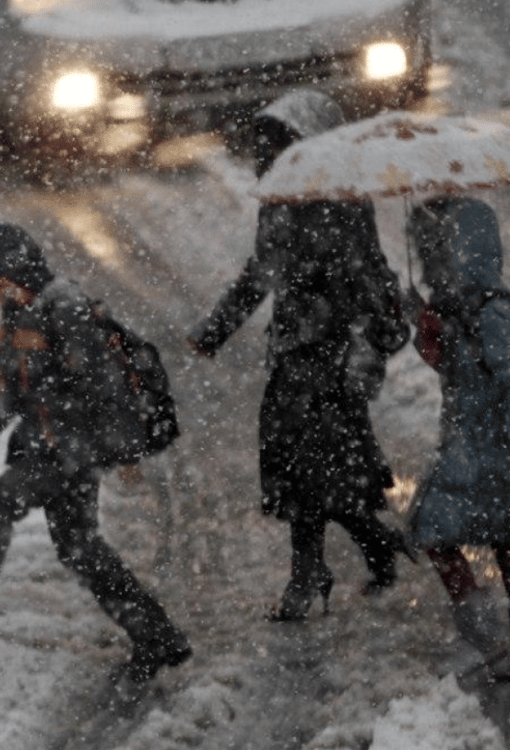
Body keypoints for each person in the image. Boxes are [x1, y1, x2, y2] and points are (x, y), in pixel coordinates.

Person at [0, 222, 191, 684]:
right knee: (79, 547)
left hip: (68, 452)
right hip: (54, 450)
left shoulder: (63, 308)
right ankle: (157, 636)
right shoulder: (21, 313)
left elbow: (105, 385)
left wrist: (124, 451)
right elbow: (3, 388)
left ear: (8, 271)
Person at [187, 90, 413, 622]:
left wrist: (372, 339)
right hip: (294, 355)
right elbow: (261, 272)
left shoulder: (342, 201)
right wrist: (216, 330)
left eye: (277, 147)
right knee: (314, 471)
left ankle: (307, 575)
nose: (265, 160)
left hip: (333, 360)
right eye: (262, 150)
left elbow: (368, 277)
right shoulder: (279, 205)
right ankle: (377, 545)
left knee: (312, 471)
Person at [403, 196, 510, 682]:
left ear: (460, 253)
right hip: (474, 447)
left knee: (435, 530)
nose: (430, 267)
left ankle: (489, 642)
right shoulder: (460, 310)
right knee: (503, 540)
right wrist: (422, 322)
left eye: (436, 253)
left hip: (488, 451)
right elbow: (456, 371)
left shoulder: (493, 312)